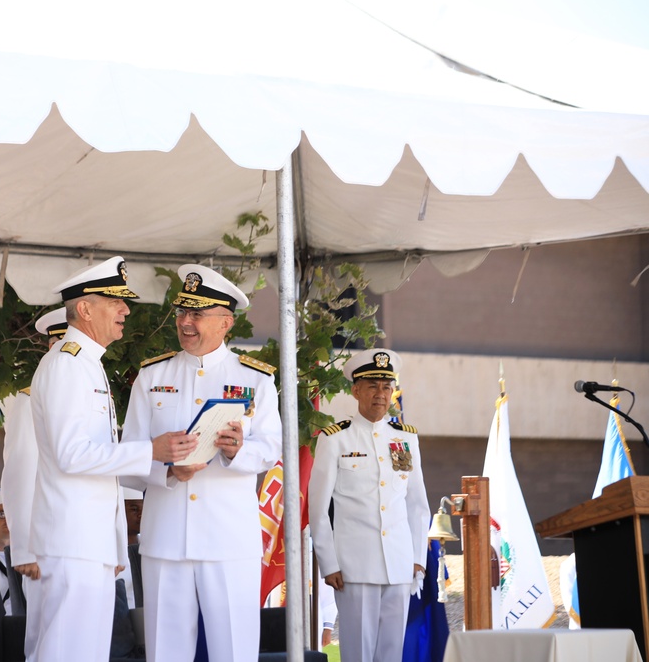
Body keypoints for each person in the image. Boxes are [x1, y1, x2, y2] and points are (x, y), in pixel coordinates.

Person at [29, 255, 197, 662]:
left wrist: (163, 465)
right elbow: (73, 455)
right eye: (115, 301)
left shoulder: (88, 364)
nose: (125, 310)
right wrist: (151, 451)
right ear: (84, 309)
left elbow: (99, 462)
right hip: (73, 540)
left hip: (91, 541)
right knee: (64, 652)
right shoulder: (66, 365)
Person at [123, 264, 282, 662]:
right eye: (181, 312)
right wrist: (168, 471)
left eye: (197, 314)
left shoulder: (256, 379)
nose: (186, 322)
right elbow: (127, 456)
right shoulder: (151, 376)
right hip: (165, 537)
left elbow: (271, 450)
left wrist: (236, 451)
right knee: (165, 652)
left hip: (228, 539)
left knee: (235, 650)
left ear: (226, 322)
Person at [307, 349, 430, 662]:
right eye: (373, 386)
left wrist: (417, 558)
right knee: (358, 654)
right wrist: (329, 563)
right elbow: (318, 509)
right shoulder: (335, 439)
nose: (380, 394)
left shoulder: (405, 439)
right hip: (354, 566)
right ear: (355, 390)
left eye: (387, 387)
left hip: (400, 564)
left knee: (392, 653)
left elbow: (417, 504)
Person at [0, 306, 67, 659]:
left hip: (87, 546)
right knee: (48, 643)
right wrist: (24, 548)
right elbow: (20, 473)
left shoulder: (97, 396)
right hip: (47, 546)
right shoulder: (29, 399)